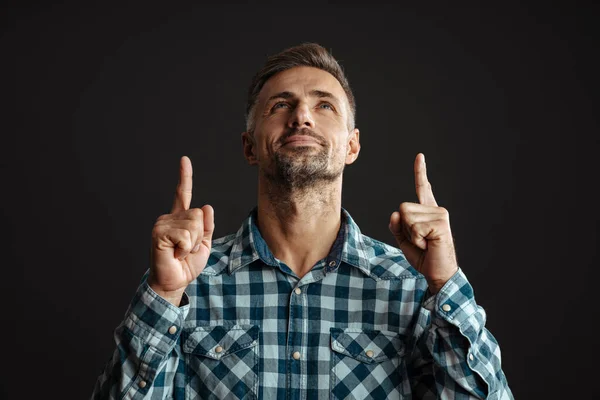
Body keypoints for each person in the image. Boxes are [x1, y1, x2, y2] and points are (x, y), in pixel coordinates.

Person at [92, 43, 513, 399]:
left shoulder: (413, 287)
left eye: (323, 105)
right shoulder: (187, 284)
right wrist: (163, 295)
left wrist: (446, 284)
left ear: (352, 145)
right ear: (249, 146)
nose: (302, 117)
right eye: (281, 105)